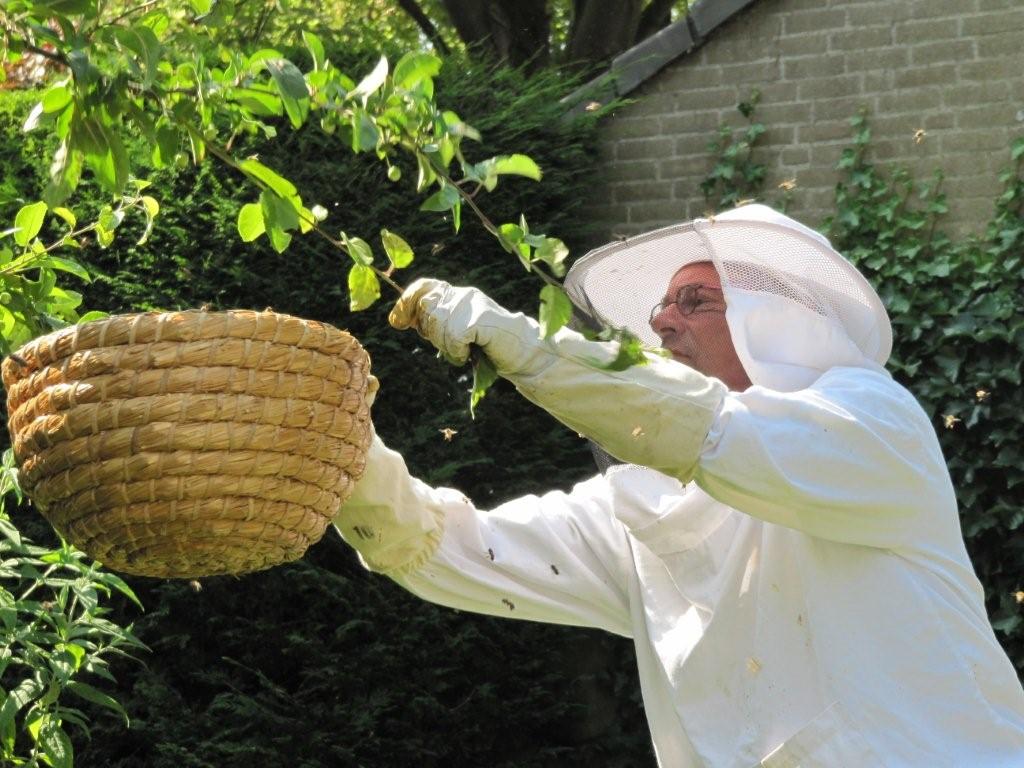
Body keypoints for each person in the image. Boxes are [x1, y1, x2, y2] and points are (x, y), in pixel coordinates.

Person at [333, 204, 1024, 766]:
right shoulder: (643, 505)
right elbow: (442, 547)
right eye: (663, 304)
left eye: (695, 301)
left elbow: (711, 433)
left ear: (779, 317)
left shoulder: (872, 422)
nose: (661, 321)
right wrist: (340, 452)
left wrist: (529, 347)